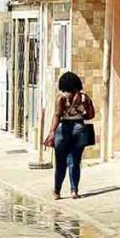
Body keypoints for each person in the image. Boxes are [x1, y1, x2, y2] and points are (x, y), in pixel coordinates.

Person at [44, 71, 96, 199]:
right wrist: (80, 114)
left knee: (60, 163)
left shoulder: (61, 97)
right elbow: (91, 115)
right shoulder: (84, 98)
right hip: (79, 129)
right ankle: (74, 190)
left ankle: (57, 191)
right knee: (75, 161)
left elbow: (57, 115)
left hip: (63, 129)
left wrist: (51, 132)